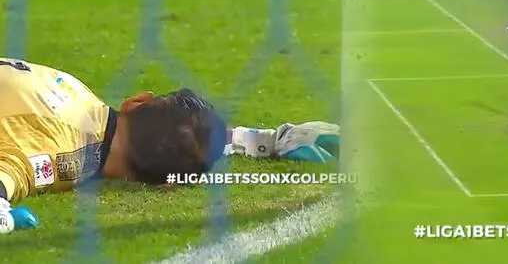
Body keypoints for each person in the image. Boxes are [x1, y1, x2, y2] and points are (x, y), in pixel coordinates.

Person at [0, 58, 339, 233]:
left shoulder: (75, 92)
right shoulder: (69, 155)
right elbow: (13, 167)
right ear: (165, 183)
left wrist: (257, 140)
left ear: (136, 102)